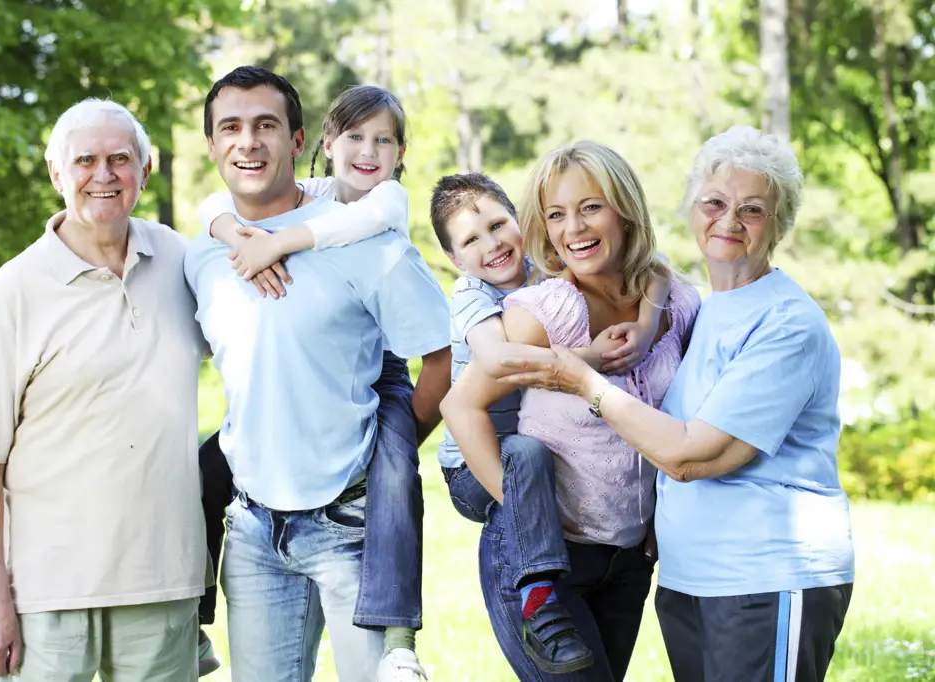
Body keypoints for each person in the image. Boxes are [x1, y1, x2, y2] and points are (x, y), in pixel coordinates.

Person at [498, 126, 855, 682]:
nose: (728, 221)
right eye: (714, 203)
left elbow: (693, 457)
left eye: (752, 209)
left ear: (779, 223)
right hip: (690, 581)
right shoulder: (707, 309)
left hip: (767, 576)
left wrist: (584, 380)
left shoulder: (785, 323)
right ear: (693, 210)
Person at [185, 66, 451, 682]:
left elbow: (440, 358)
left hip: (350, 528)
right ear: (212, 145)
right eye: (231, 127)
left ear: (300, 140)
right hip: (250, 530)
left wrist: (386, 451)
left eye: (266, 126)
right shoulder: (201, 252)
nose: (247, 142)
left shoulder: (367, 238)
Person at [0, 99, 207, 681]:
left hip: (162, 583)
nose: (104, 175)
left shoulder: (183, 262)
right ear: (58, 174)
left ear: (146, 169)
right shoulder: (15, 288)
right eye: (85, 160)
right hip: (47, 596)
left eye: (120, 159)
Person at [442, 141, 700, 681]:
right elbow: (460, 404)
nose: (574, 228)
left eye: (590, 206)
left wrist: (651, 322)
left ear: (624, 207)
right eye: (557, 214)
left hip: (630, 561)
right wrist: (520, 513)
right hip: (547, 565)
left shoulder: (675, 301)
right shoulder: (543, 311)